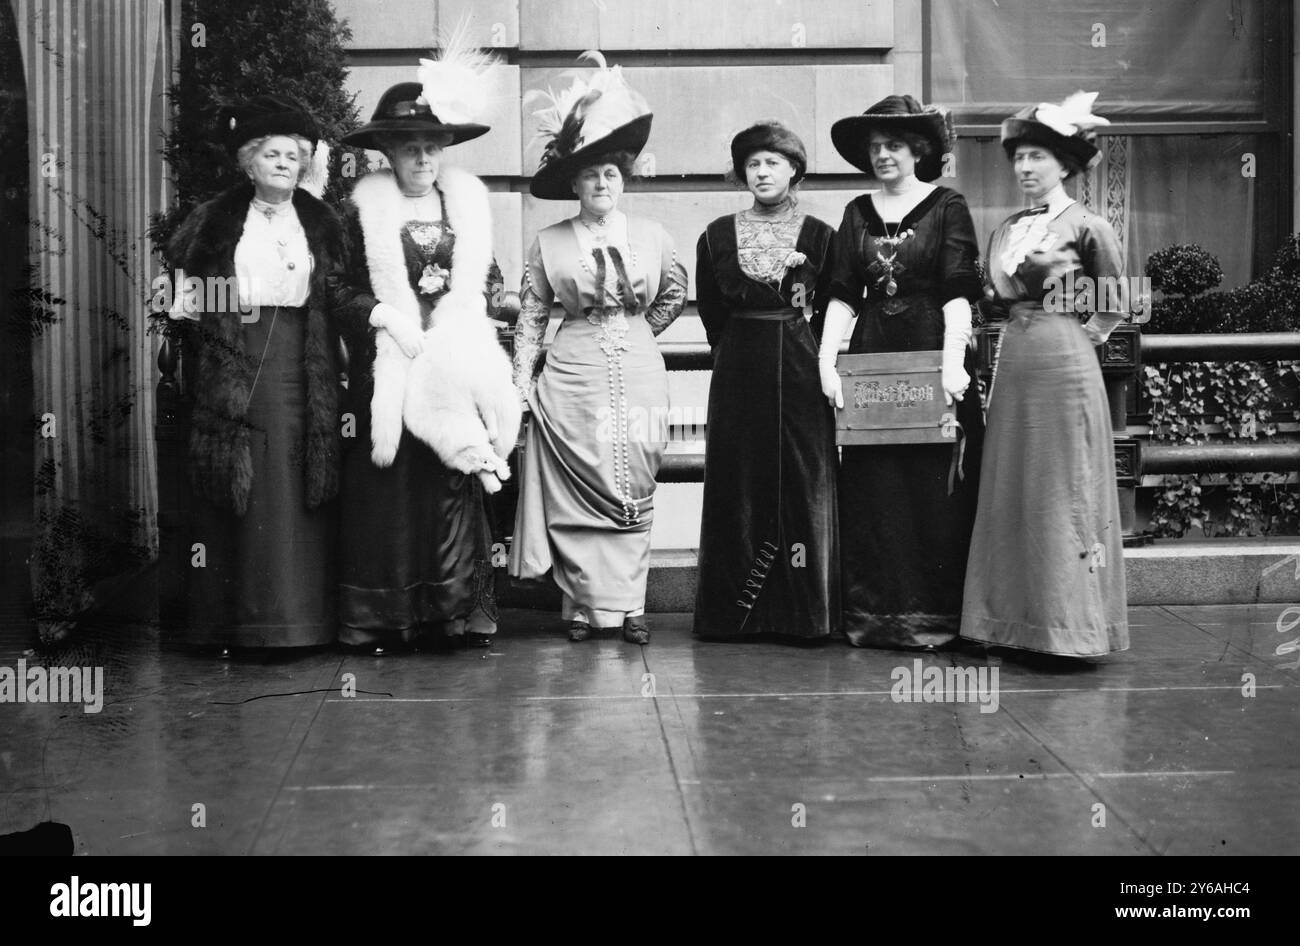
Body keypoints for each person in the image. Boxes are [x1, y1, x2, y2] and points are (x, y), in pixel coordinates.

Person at [332, 46, 517, 655]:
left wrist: (468, 319)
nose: (423, 159)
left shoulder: (466, 206)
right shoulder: (362, 210)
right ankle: (387, 618)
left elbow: (489, 282)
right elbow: (333, 288)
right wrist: (384, 315)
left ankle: (452, 615)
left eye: (432, 146)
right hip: (390, 361)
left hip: (449, 363)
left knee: (449, 488)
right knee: (389, 493)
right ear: (389, 152)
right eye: (410, 146)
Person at [510, 53, 687, 645]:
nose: (601, 184)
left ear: (623, 177)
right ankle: (584, 608)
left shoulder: (653, 237)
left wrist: (632, 334)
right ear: (574, 185)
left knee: (634, 477)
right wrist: (521, 388)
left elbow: (670, 298)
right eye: (590, 177)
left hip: (637, 372)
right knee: (577, 480)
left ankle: (630, 604)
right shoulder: (550, 242)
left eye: (611, 174)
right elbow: (533, 317)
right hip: (572, 374)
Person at [166, 94, 345, 652]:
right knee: (244, 477)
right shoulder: (218, 219)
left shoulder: (321, 222)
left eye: (294, 156)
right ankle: (240, 625)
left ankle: (304, 624)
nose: (284, 164)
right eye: (272, 154)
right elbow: (190, 294)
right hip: (237, 354)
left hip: (304, 359)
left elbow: (337, 294)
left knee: (300, 478)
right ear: (248, 161)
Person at [960, 93, 1129, 658]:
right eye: (1019, 158)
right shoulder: (1007, 228)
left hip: (1064, 358)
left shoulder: (1088, 226)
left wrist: (1080, 337)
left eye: (1037, 157)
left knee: (1063, 487)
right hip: (1016, 358)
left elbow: (1112, 304)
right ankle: (1010, 624)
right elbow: (991, 300)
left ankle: (1067, 629)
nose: (1025, 168)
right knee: (1014, 485)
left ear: (1065, 164)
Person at [819, 94, 984, 649]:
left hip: (931, 354)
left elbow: (959, 288)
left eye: (893, 145)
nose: (882, 156)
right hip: (872, 358)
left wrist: (955, 361)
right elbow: (841, 291)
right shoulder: (856, 213)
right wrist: (827, 362)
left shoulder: (947, 206)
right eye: (874, 148)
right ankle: (875, 617)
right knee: (874, 488)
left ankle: (934, 619)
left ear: (918, 150)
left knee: (932, 488)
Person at [692, 121, 838, 642]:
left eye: (772, 163)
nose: (761, 172)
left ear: (793, 170)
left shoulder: (821, 234)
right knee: (738, 478)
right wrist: (733, 352)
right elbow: (710, 309)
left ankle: (799, 616)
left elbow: (834, 309)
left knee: (801, 478)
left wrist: (811, 355)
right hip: (737, 370)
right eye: (753, 164)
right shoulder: (715, 233)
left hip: (800, 367)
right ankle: (733, 615)